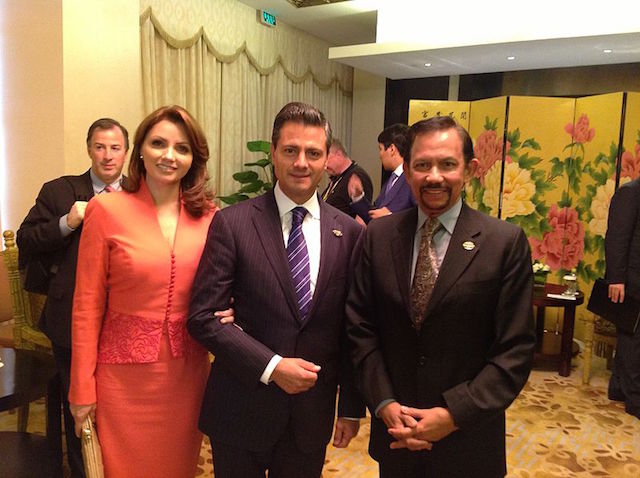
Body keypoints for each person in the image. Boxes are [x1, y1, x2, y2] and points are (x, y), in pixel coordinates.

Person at [346, 116, 536, 477]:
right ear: (406, 170)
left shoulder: (503, 243)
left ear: (470, 169)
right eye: (422, 165)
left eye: (447, 164)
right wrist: (384, 402)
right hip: (396, 435)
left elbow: (515, 350)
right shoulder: (379, 236)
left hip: (469, 441)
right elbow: (360, 328)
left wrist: (454, 414)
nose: (434, 176)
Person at [188, 102, 365, 478]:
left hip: (310, 416)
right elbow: (203, 317)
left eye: (313, 153)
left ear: (326, 159)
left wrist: (351, 407)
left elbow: (353, 328)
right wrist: (272, 367)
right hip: (240, 408)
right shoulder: (233, 223)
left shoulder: (349, 233)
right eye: (290, 150)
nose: (301, 162)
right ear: (273, 152)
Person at [68, 105, 232, 477]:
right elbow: (86, 306)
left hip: (186, 379)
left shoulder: (210, 217)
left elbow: (221, 290)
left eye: (182, 148)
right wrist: (81, 388)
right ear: (140, 149)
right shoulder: (105, 210)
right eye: (158, 143)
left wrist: (231, 308)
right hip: (120, 381)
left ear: (194, 158)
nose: (169, 155)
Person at [17, 117, 129, 477]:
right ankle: (83, 471)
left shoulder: (141, 193)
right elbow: (25, 239)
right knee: (79, 405)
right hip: (70, 317)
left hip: (127, 321)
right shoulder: (58, 191)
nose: (107, 155)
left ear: (126, 153)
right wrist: (67, 222)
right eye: (100, 147)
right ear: (89, 150)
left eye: (115, 148)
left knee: (121, 407)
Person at [604, 177, 640, 419]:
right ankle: (635, 399)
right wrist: (616, 278)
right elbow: (616, 237)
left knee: (630, 337)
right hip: (631, 280)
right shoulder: (630, 192)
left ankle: (617, 387)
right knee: (633, 339)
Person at [350, 123, 416, 224]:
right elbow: (375, 215)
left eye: (380, 149)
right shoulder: (391, 180)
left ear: (392, 149)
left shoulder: (413, 178)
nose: (380, 155)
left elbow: (422, 216)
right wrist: (358, 197)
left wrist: (391, 217)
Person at [321, 138, 373, 218]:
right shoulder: (336, 178)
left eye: (326, 160)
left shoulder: (357, 176)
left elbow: (362, 219)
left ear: (338, 154)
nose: (325, 166)